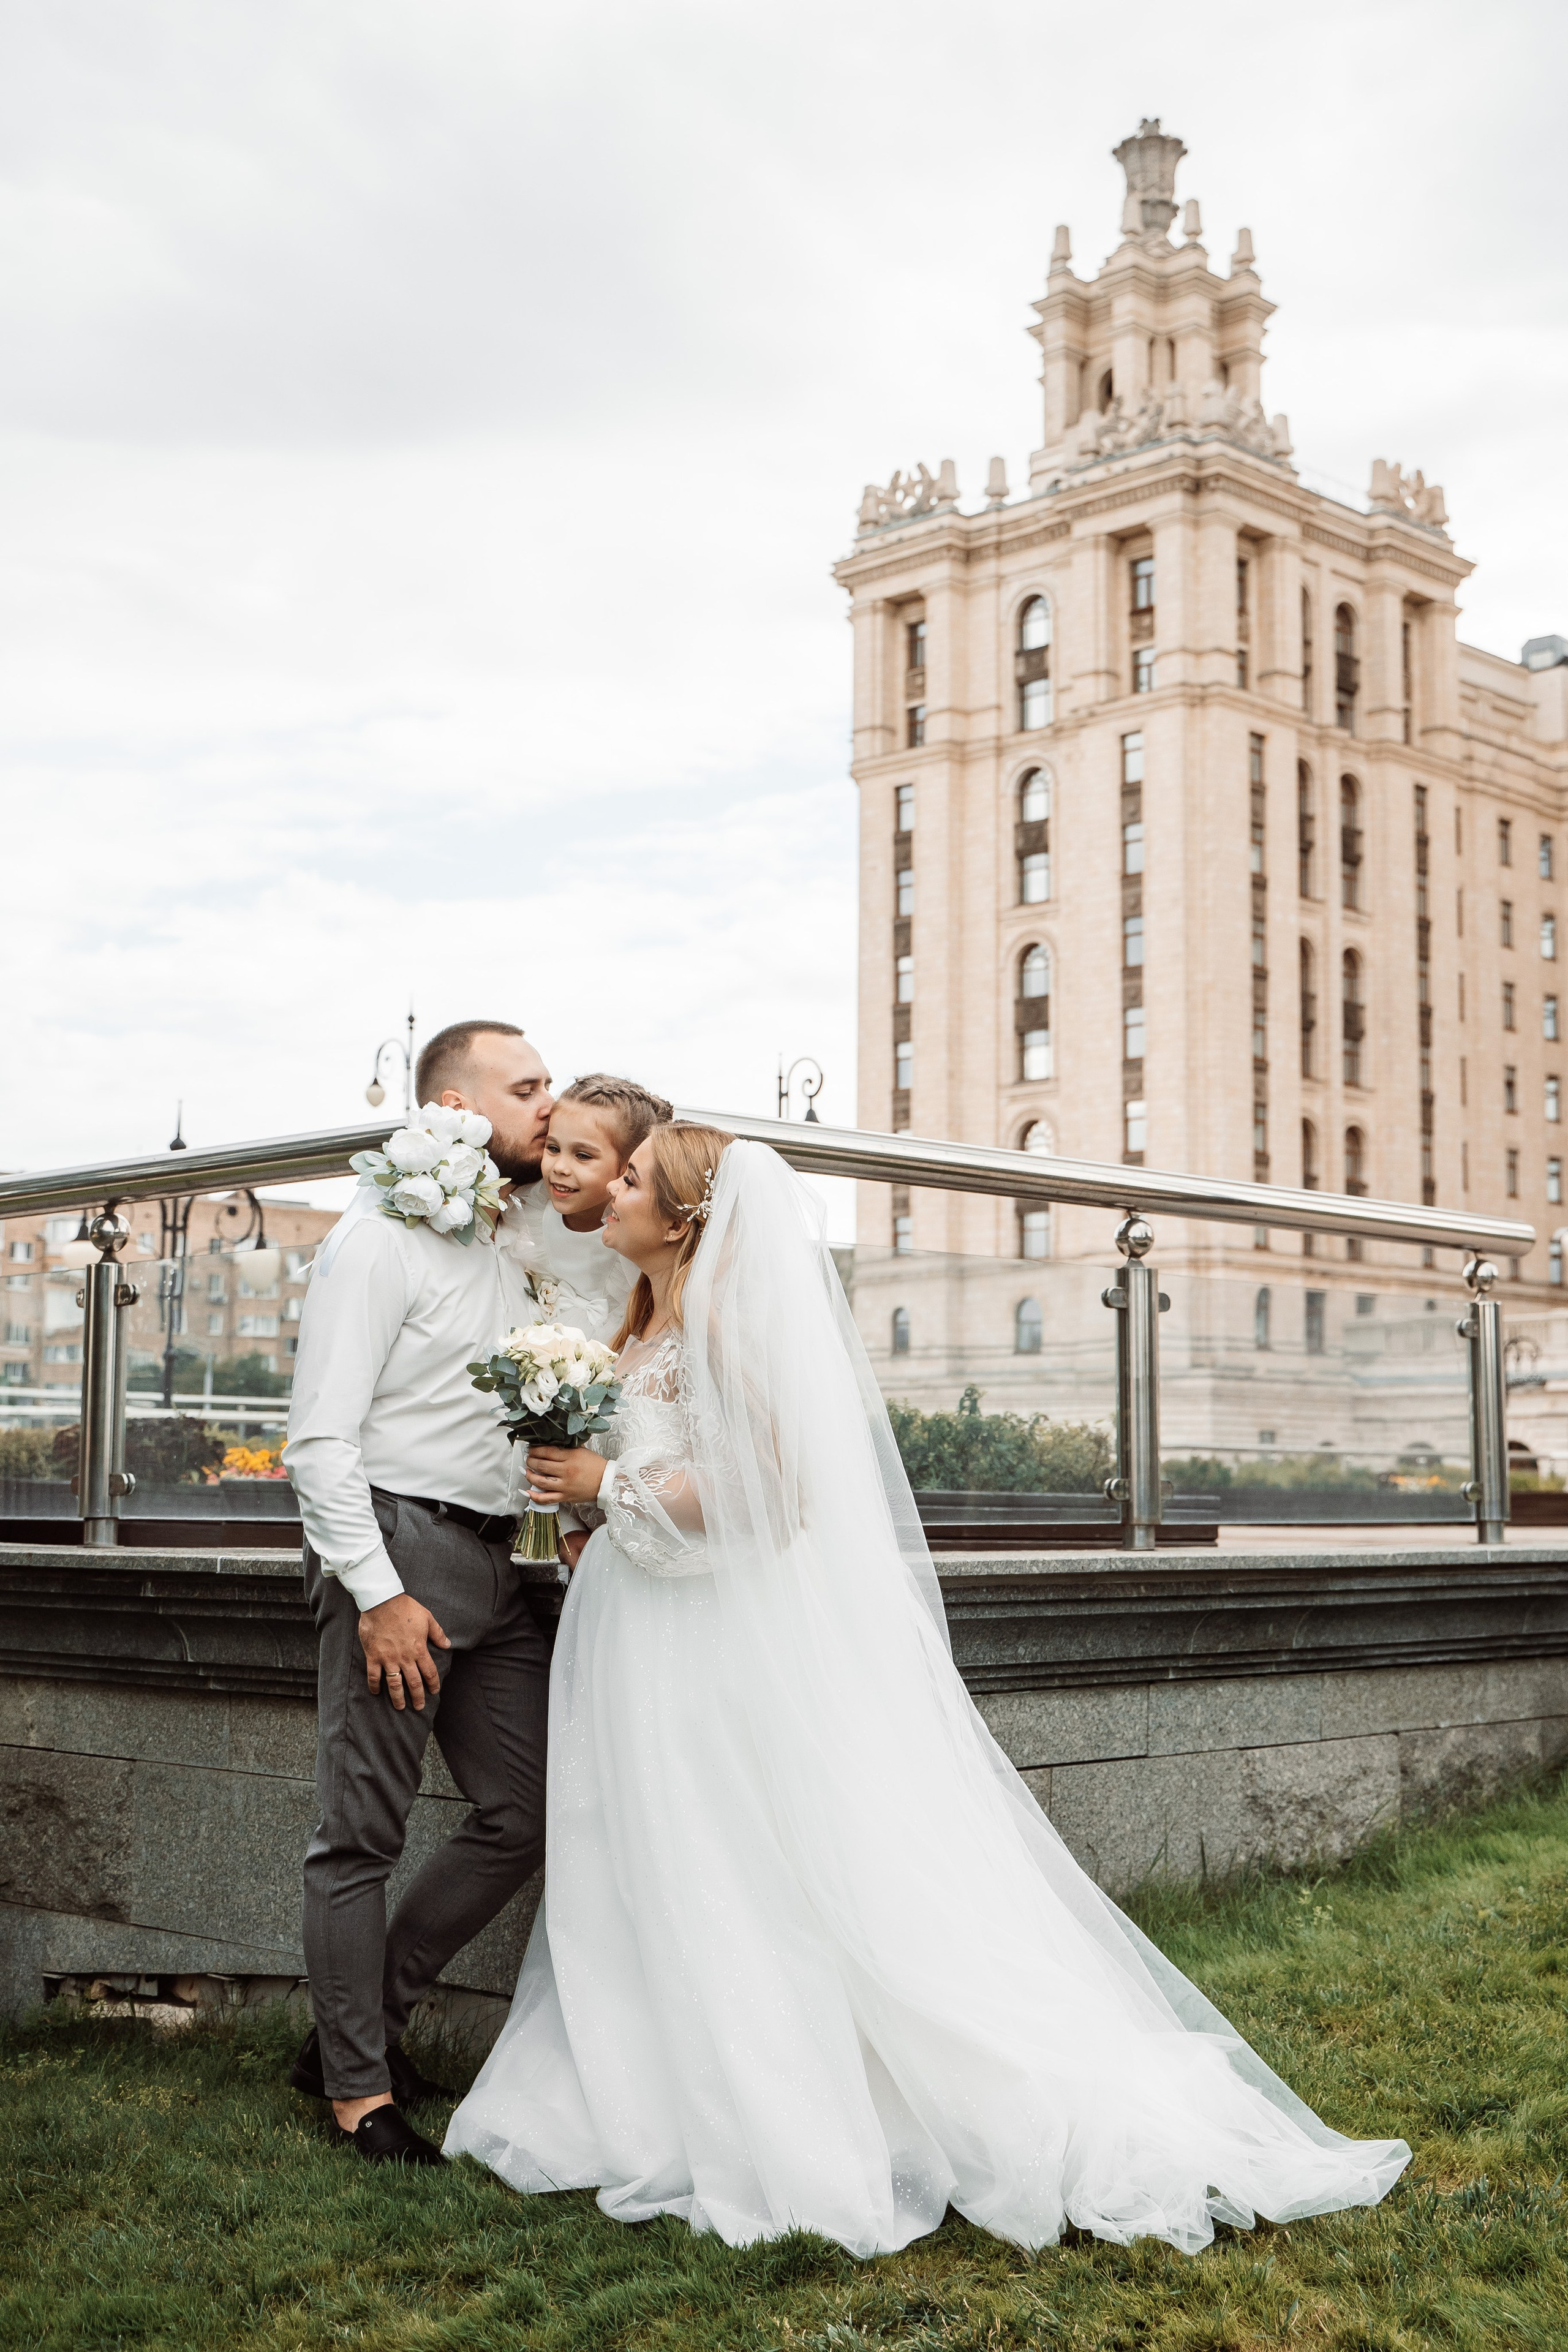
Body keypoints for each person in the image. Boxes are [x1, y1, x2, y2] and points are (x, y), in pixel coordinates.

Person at [444, 1125, 1411, 2255]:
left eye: (632, 1181)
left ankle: (790, 2103)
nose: (607, 1193)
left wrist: (609, 1480)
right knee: (655, 1851)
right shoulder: (642, 1312)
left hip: (701, 1635)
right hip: (638, 1614)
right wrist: (587, 1499)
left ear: (685, 1215)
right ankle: (657, 2080)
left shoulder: (712, 1314)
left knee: (726, 1854)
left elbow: (782, 1482)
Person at [283, 1019, 558, 2165]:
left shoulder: (513, 1232)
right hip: (398, 1556)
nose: (552, 1103)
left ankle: (355, 2026)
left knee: (527, 1812)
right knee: (362, 1837)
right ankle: (356, 2091)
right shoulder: (377, 1240)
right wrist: (381, 1594)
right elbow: (318, 1442)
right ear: (454, 1101)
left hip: (507, 1564)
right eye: (529, 1086)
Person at [505, 1074, 673, 1568]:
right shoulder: (522, 1219)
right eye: (553, 1147)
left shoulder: (640, 1265)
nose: (559, 1168)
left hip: (607, 1487)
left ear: (630, 1169)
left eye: (583, 1156)